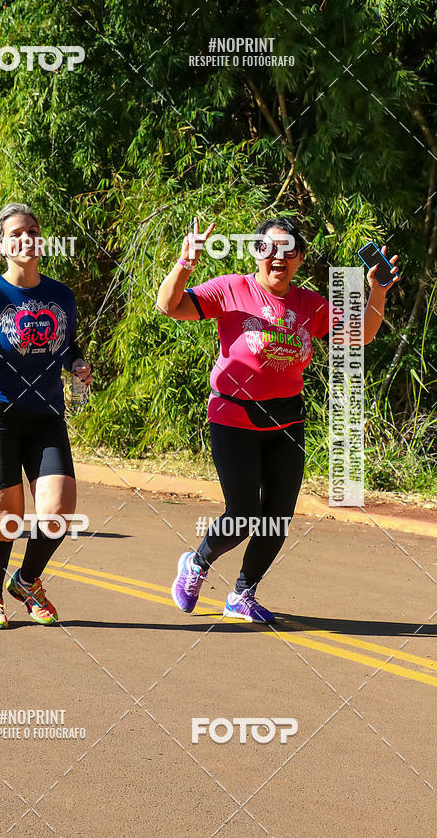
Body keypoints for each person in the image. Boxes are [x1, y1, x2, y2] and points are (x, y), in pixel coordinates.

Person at [156, 215, 399, 622]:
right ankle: (196, 564)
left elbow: (362, 334)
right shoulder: (231, 288)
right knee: (243, 514)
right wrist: (185, 263)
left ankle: (242, 594)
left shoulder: (309, 304)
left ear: (300, 257)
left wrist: (378, 290)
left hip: (287, 420)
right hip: (233, 416)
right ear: (257, 253)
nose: (278, 257)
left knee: (278, 518)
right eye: (269, 248)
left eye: (288, 250)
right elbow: (169, 306)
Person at [0, 202, 92, 629]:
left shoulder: (61, 295)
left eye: (32, 230)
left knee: (58, 512)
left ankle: (27, 581)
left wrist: (77, 365)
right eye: (15, 234)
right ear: (2, 245)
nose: (25, 238)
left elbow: (64, 345)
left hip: (45, 416)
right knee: (7, 519)